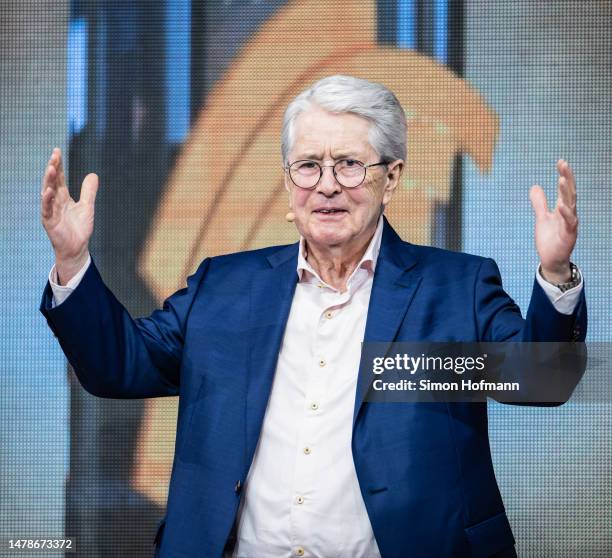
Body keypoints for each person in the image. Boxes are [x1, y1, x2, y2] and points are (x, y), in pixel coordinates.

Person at [40, 75, 586, 558]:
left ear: (391, 179)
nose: (326, 185)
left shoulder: (455, 287)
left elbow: (539, 378)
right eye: (308, 166)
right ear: (288, 180)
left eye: (349, 164)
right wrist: (72, 262)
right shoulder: (224, 286)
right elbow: (119, 366)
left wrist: (556, 273)